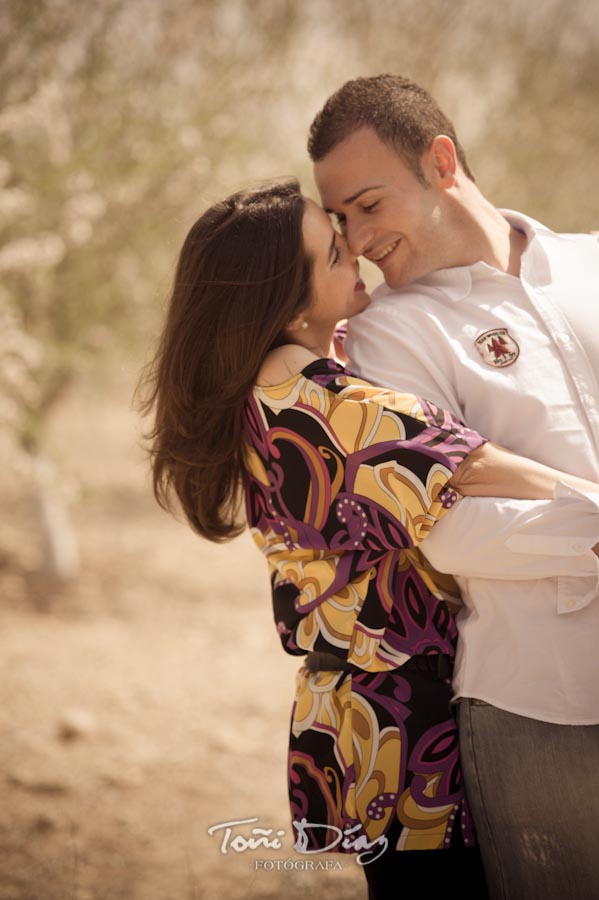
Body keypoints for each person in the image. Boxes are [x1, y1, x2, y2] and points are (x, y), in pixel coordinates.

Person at [137, 180, 599, 900]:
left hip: (361, 713)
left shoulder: (281, 386)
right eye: (331, 251)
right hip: (401, 724)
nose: (354, 250)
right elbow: (468, 463)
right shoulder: (311, 398)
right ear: (288, 305)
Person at [308, 74, 599, 900]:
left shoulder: (592, 260)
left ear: (440, 162)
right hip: (542, 705)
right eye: (341, 221)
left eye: (368, 204)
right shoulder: (384, 333)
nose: (357, 240)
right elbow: (442, 526)